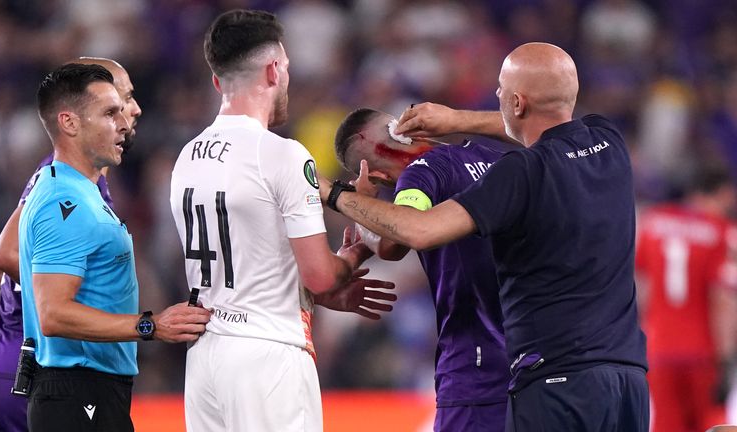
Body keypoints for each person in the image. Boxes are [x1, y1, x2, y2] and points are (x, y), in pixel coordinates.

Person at [319, 42, 650, 431]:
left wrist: (340, 199)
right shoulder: (600, 141)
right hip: (624, 374)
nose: (495, 96)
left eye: (501, 91)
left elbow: (404, 234)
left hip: (502, 373)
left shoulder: (451, 172)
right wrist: (458, 119)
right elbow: (547, 121)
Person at [169, 10, 395, 432]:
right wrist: (357, 248)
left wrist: (310, 293)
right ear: (275, 70)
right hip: (269, 355)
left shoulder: (186, 158)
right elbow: (322, 276)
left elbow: (248, 255)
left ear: (218, 81)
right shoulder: (283, 155)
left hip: (205, 359)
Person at [18, 63, 212, 432]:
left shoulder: (72, 189)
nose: (123, 123)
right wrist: (150, 326)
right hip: (77, 392)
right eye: (110, 113)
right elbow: (53, 314)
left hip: (88, 392)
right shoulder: (66, 204)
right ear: (69, 123)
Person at [0, 57, 141, 432]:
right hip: (30, 361)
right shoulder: (64, 180)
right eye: (121, 100)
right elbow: (4, 256)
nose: (134, 110)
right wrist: (62, 292)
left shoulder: (81, 179)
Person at [334, 107, 511, 431]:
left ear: (379, 176)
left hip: (475, 367)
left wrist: (362, 204)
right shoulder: (495, 157)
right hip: (533, 358)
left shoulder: (421, 172)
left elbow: (394, 242)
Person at [635, 165, 737, 432]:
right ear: (721, 193)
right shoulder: (721, 230)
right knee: (713, 424)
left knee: (667, 425)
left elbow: (641, 288)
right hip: (703, 352)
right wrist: (726, 358)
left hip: (658, 349)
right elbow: (723, 300)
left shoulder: (653, 222)